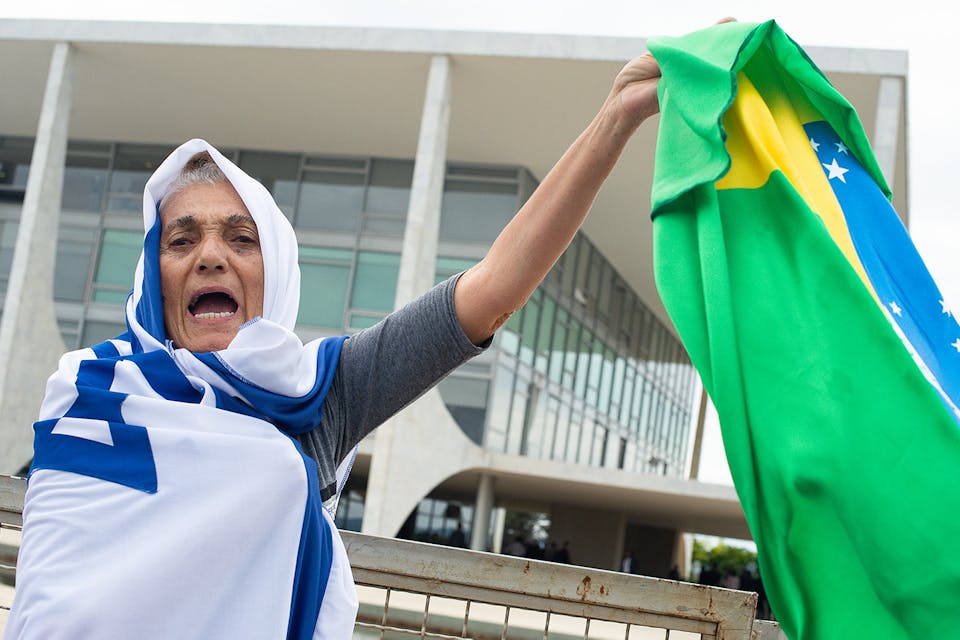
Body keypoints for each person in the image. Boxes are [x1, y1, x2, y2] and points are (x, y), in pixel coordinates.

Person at [6, 46, 662, 639]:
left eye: (241, 238)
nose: (210, 257)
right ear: (154, 272)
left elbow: (493, 289)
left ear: (278, 273)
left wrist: (616, 117)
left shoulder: (323, 397)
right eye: (182, 240)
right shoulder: (86, 391)